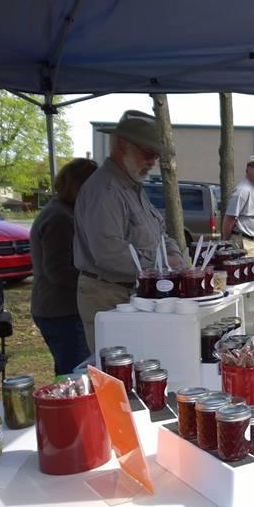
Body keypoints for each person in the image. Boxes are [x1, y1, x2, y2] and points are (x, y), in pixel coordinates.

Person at [74, 110, 185, 350]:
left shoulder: (133, 186)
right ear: (123, 145)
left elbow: (160, 233)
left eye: (156, 155)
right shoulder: (106, 190)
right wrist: (162, 267)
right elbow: (108, 252)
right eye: (148, 153)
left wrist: (173, 254)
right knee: (117, 370)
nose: (152, 161)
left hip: (133, 293)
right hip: (108, 295)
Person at [30, 158, 99, 375]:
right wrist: (96, 281)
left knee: (70, 372)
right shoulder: (59, 218)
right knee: (76, 375)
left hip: (62, 309)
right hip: (61, 311)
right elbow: (58, 270)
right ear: (80, 186)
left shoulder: (66, 212)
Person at [221, 154, 254, 258]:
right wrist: (227, 242)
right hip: (246, 244)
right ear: (249, 168)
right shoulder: (243, 190)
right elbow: (229, 219)